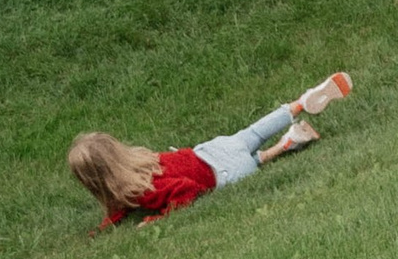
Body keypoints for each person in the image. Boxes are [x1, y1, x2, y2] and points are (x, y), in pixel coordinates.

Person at [68, 73, 355, 225]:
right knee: (253, 132)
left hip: (223, 172)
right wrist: (109, 222)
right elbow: (120, 206)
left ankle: (284, 145)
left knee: (256, 161)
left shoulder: (141, 190)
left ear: (94, 180)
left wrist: (159, 218)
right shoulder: (141, 161)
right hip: (211, 150)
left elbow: (187, 189)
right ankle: (300, 104)